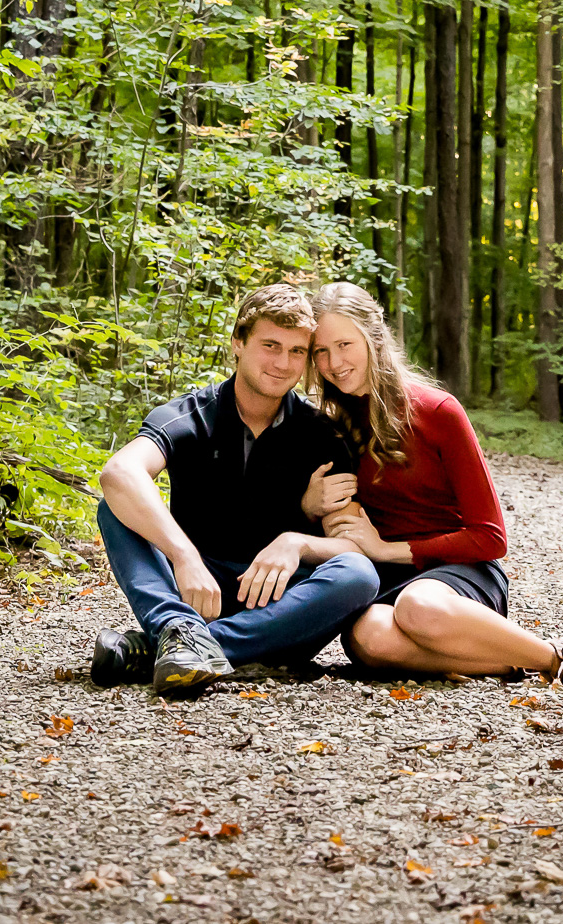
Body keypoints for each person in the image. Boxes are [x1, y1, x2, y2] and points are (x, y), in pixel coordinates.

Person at [303, 282, 563, 688]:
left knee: (418, 607)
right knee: (368, 639)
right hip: (386, 579)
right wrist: (309, 506)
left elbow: (490, 537)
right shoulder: (327, 429)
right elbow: (334, 530)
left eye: (345, 344)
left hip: (458, 575)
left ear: (374, 338)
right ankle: (525, 657)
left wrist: (386, 549)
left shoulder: (438, 411)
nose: (334, 362)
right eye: (321, 351)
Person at [90, 284, 380, 695]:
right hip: (196, 592)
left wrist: (297, 542)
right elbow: (119, 473)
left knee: (358, 575)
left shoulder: (322, 435)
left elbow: (352, 546)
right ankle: (182, 630)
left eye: (297, 351)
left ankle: (172, 645)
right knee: (114, 508)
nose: (283, 363)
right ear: (238, 343)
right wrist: (183, 555)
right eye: (270, 345)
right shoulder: (190, 415)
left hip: (281, 608)